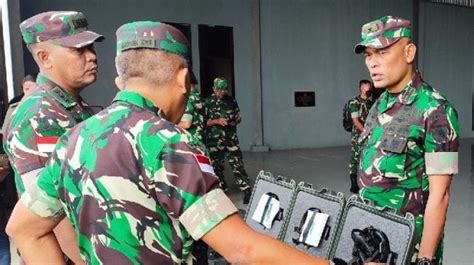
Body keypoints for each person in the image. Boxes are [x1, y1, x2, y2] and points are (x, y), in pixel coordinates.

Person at [5, 21, 332, 265]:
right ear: (181, 78)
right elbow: (241, 249)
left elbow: (23, 229)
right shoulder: (167, 141)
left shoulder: (72, 140)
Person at [355, 16, 459, 264]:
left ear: (409, 52)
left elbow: (440, 195)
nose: (372, 63)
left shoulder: (436, 110)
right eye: (368, 55)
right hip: (372, 242)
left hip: (408, 245)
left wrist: (424, 258)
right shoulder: (381, 103)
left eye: (381, 52)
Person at [3, 11, 104, 264]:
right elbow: (52, 211)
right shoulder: (40, 115)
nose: (91, 56)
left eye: (90, 47)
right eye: (78, 49)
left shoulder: (69, 106)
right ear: (44, 57)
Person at [205, 78, 251, 204]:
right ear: (214, 89)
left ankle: (246, 190)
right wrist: (216, 121)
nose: (222, 92)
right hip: (214, 141)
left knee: (237, 165)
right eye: (220, 89)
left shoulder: (231, 101)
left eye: (224, 89)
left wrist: (235, 121)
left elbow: (238, 117)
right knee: (216, 167)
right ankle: (222, 191)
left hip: (231, 139)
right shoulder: (207, 102)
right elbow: (203, 122)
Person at [348, 79, 373, 193]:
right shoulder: (354, 103)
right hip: (358, 135)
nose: (370, 89)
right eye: (368, 87)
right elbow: (356, 121)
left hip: (368, 134)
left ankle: (367, 181)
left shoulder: (370, 103)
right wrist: (366, 132)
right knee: (355, 158)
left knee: (368, 157)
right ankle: (354, 183)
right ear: (362, 88)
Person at [178, 72, 206, 149]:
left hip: (191, 142)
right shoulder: (199, 97)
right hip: (201, 140)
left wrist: (168, 124)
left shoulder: (188, 99)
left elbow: (186, 124)